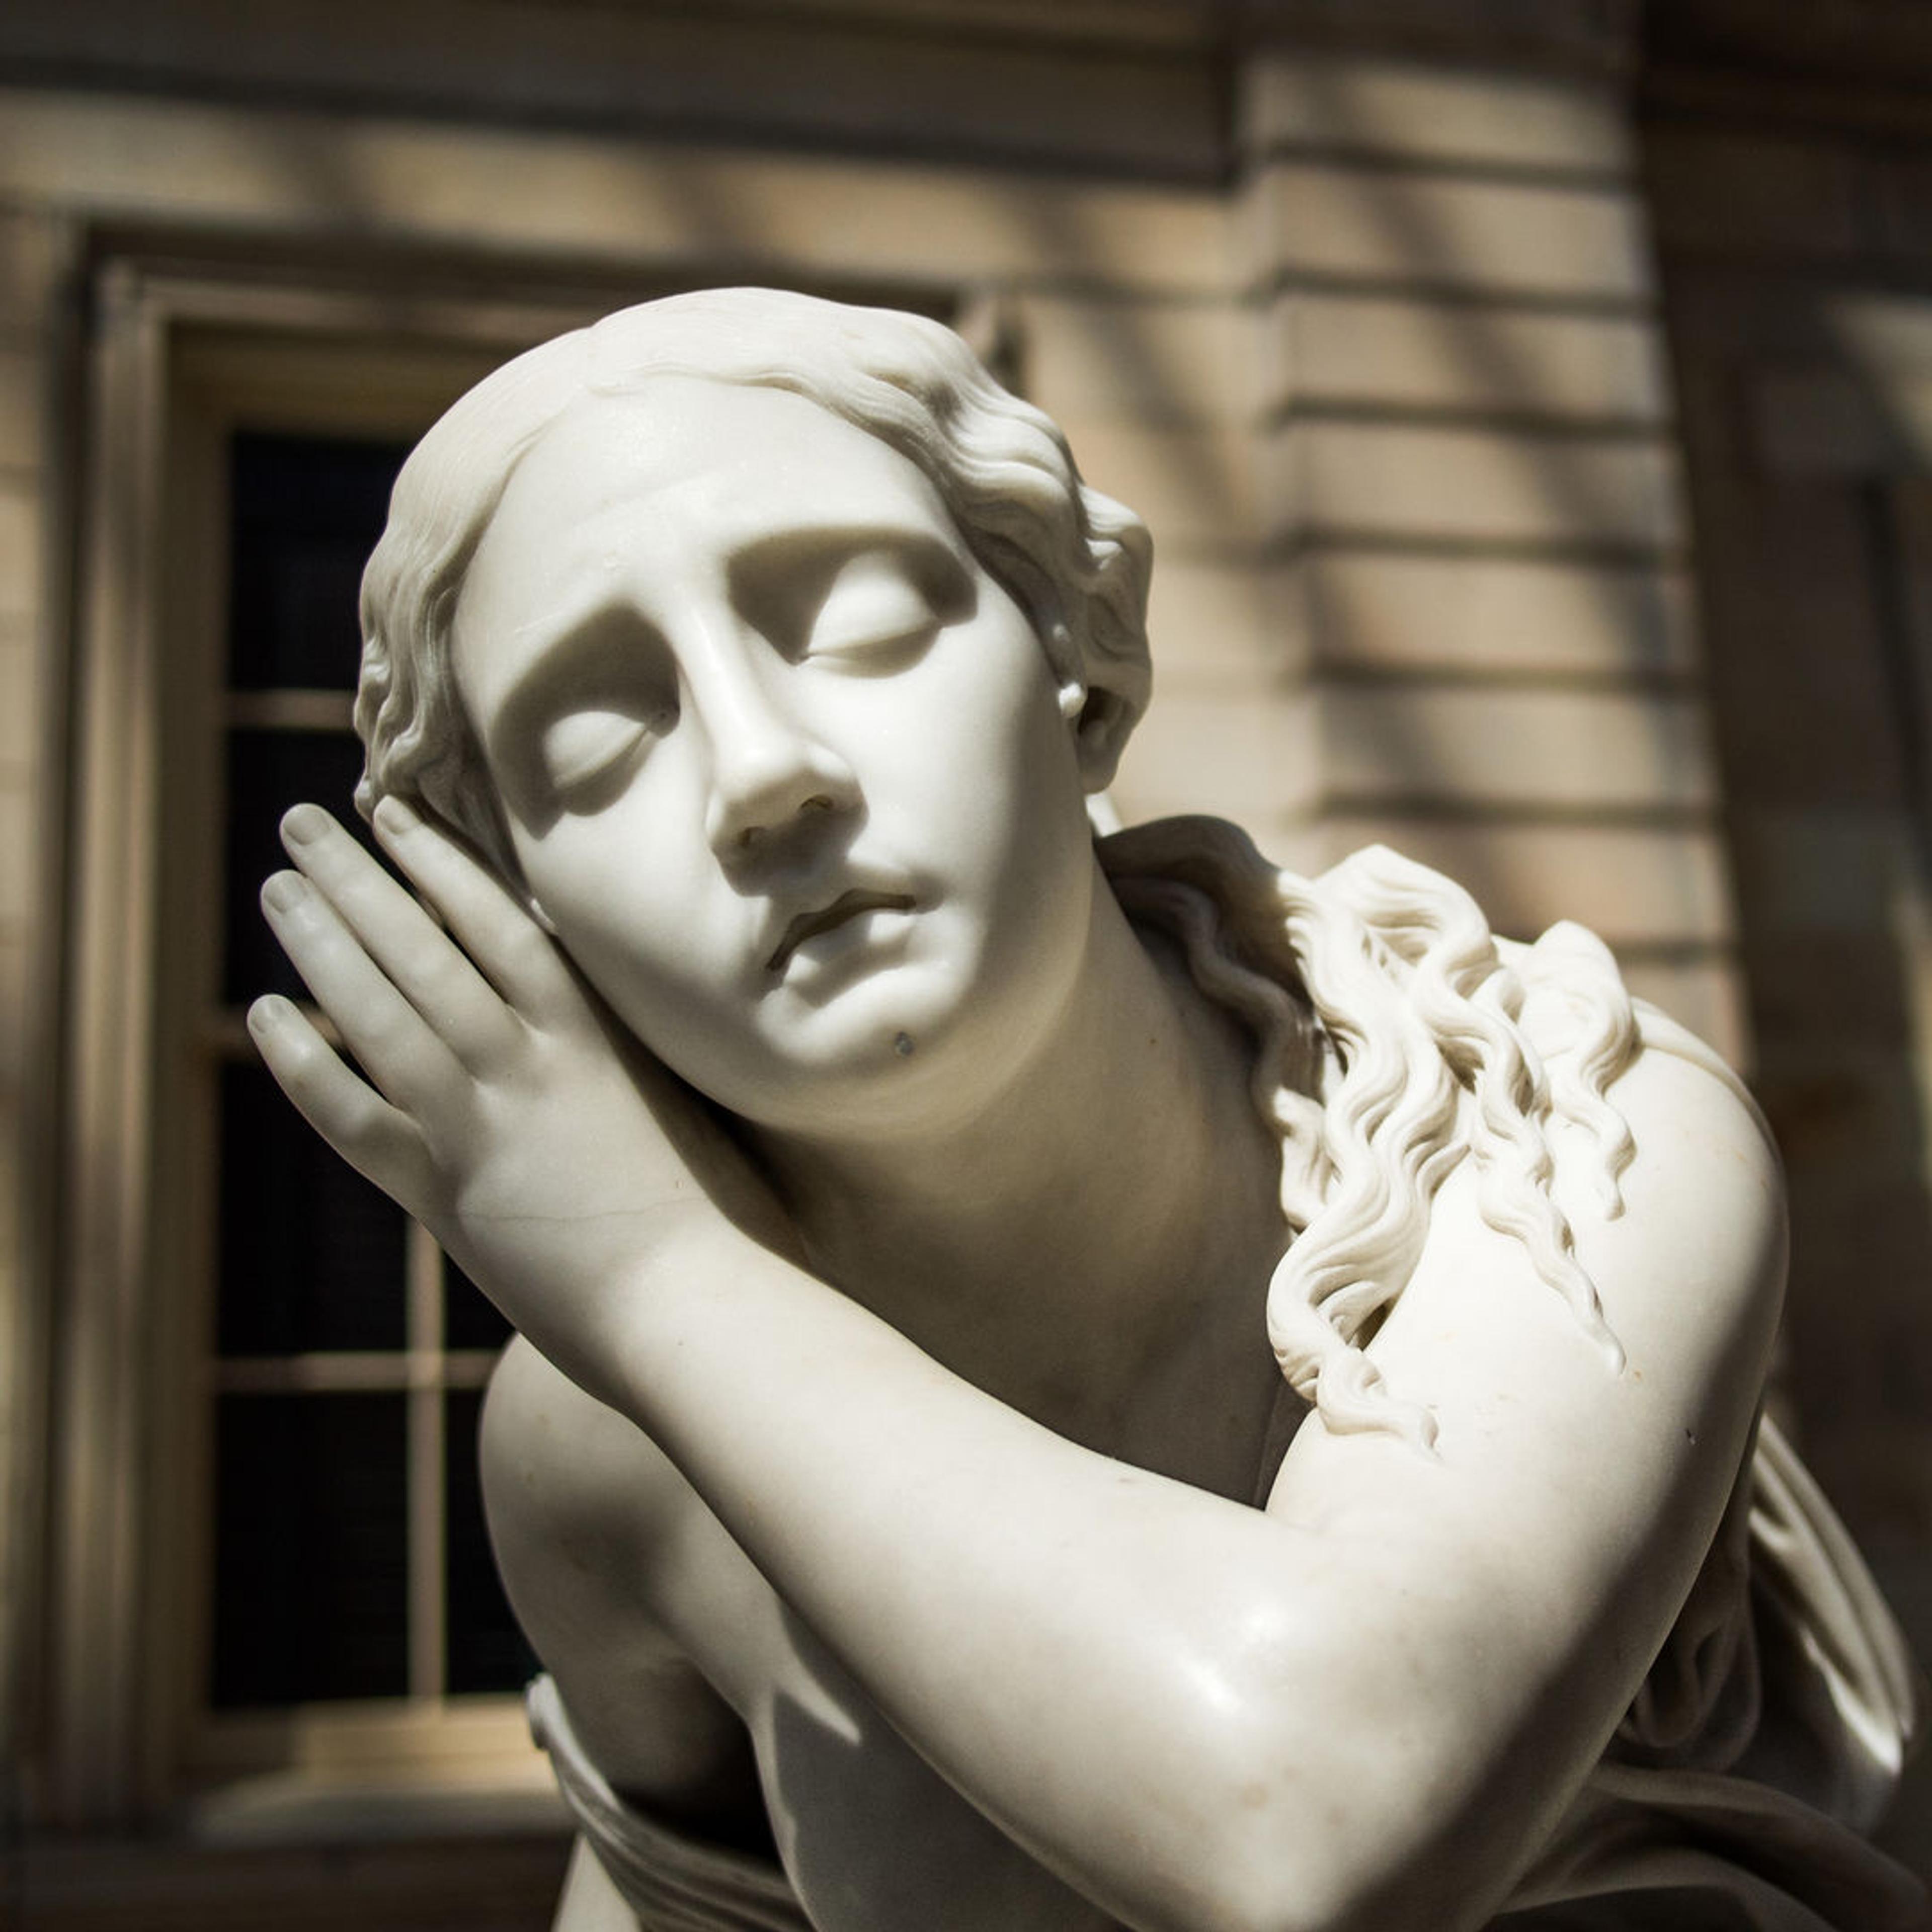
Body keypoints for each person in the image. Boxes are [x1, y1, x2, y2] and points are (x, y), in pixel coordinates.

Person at [250, 289, 1926, 1930]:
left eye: (854, 618)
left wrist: (652, 1273)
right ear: (521, 911)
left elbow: (1318, 1826)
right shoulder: (606, 1451)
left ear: (1071, 653)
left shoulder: (1557, 1130)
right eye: (598, 737)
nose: (762, 774)